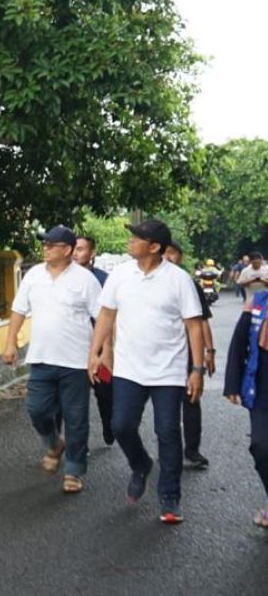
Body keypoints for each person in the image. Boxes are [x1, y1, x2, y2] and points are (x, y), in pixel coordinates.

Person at [87, 219, 206, 524]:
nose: (130, 241)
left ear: (154, 247)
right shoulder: (120, 276)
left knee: (167, 433)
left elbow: (194, 326)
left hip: (168, 371)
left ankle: (169, 498)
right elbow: (106, 314)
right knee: (121, 426)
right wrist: (96, 352)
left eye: (136, 238)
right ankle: (140, 464)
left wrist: (196, 369)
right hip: (128, 368)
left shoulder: (178, 280)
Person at [3, 225, 101, 494]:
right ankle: (54, 444)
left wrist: (99, 354)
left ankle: (74, 470)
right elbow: (18, 309)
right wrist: (10, 342)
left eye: (51, 245)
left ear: (67, 250)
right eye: (44, 244)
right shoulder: (34, 275)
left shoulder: (85, 280)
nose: (45, 248)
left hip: (76, 362)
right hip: (42, 359)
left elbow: (102, 318)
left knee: (76, 418)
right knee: (37, 410)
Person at [165, 240, 217, 468]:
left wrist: (209, 351)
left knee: (191, 401)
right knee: (165, 406)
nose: (168, 257)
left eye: (173, 253)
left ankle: (192, 450)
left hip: (188, 352)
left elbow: (202, 321)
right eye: (164, 253)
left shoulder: (189, 284)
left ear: (180, 257)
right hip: (160, 356)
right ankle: (168, 448)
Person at [223, 290, 268, 528]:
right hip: (262, 387)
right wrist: (232, 382)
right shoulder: (257, 303)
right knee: (261, 446)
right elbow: (238, 345)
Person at [73, 235, 113, 444]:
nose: (75, 253)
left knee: (105, 393)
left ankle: (109, 425)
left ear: (92, 253)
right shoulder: (63, 278)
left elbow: (112, 315)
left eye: (80, 249)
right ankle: (77, 443)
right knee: (72, 401)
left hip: (99, 349)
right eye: (74, 248)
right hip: (73, 348)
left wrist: (107, 349)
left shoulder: (104, 280)